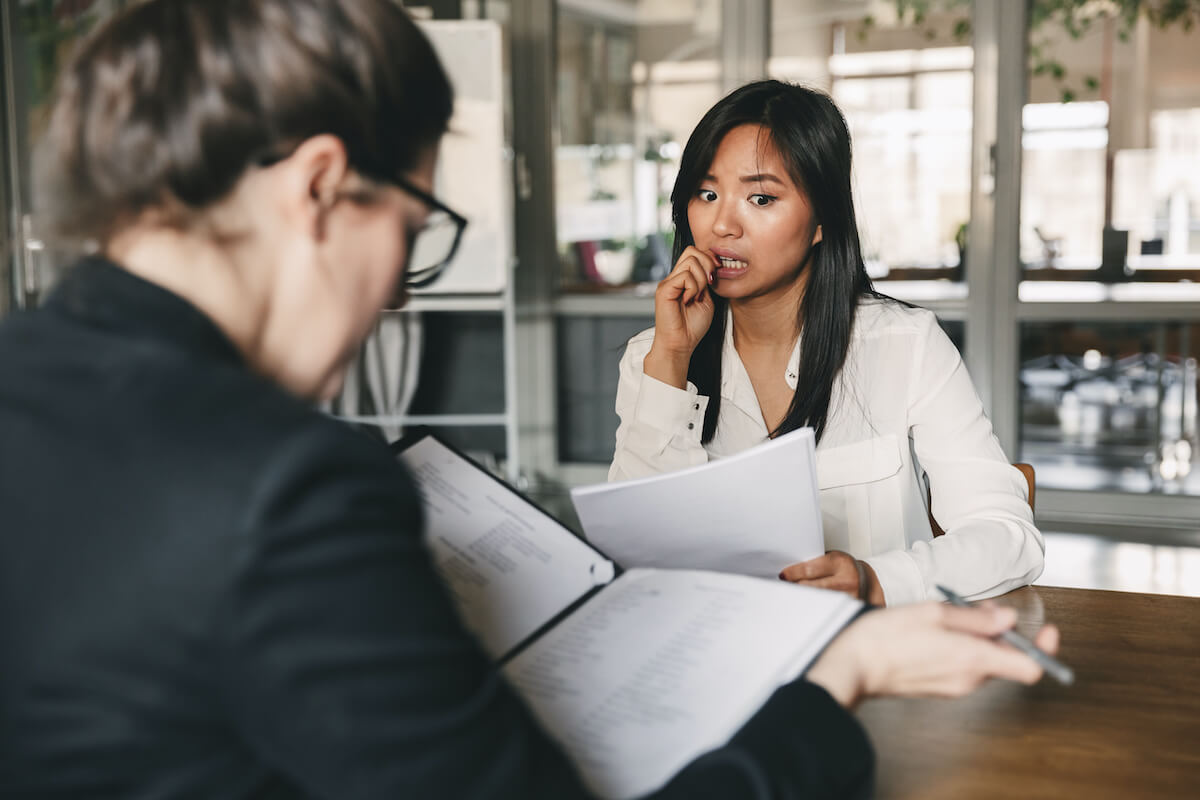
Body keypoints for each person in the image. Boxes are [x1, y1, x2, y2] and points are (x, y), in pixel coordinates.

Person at [0, 3, 1058, 797]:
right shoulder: (291, 487)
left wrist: (877, 588)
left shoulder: (29, 383)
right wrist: (842, 677)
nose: (391, 292)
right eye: (414, 230)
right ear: (321, 186)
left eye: (762, 195)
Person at [609, 80, 1044, 607]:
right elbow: (634, 552)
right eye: (707, 194)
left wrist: (876, 581)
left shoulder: (905, 345)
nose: (722, 225)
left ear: (821, 220)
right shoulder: (655, 357)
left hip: (872, 662)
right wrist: (671, 362)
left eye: (761, 197)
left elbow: (1007, 537)